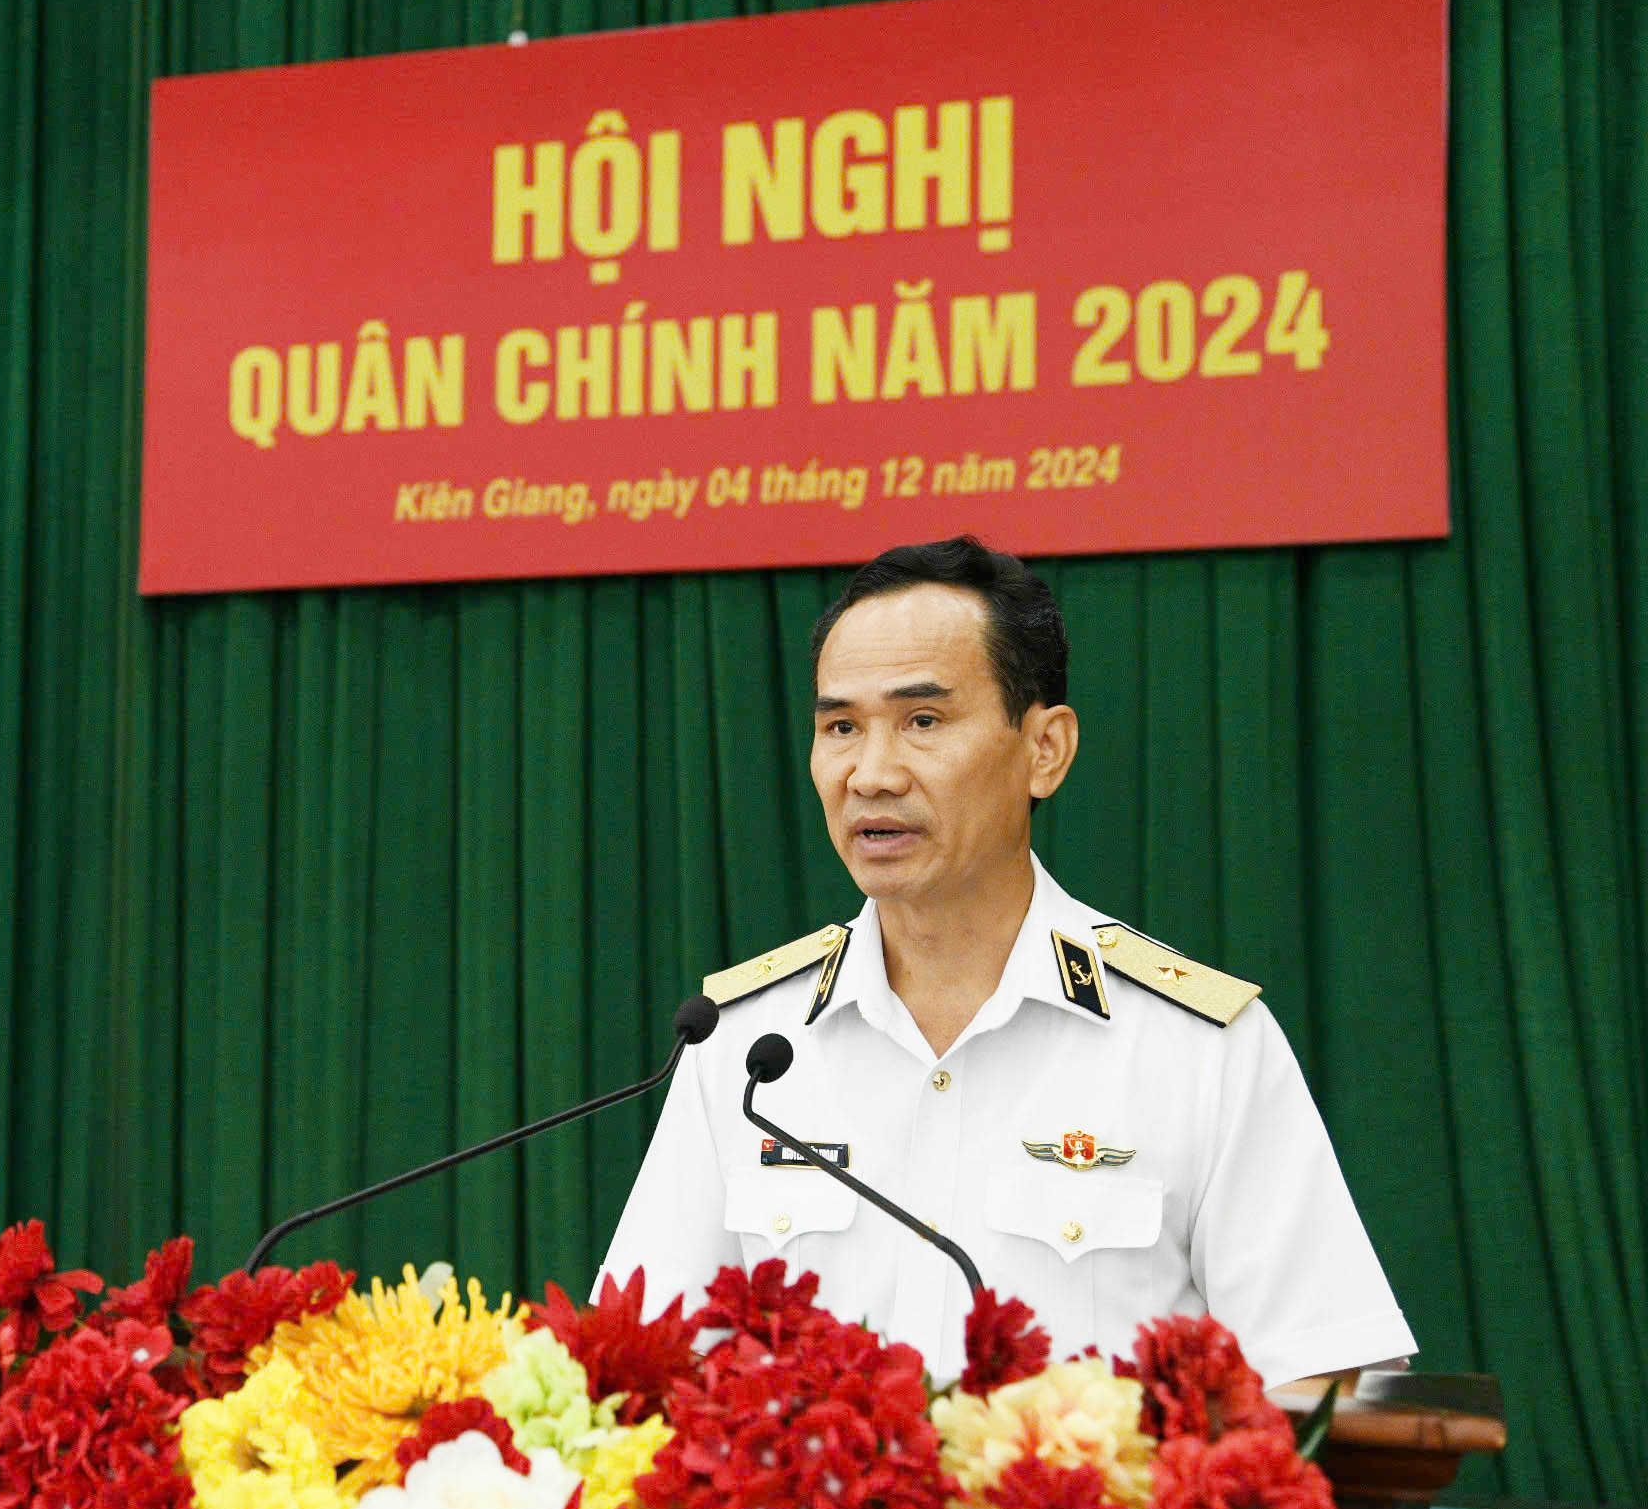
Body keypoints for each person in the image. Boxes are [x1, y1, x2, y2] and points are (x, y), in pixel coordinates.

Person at [598, 537, 1413, 1386]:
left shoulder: (1197, 1048)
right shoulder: (742, 1048)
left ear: (1045, 749)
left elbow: (1325, 1380)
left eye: (922, 721)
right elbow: (639, 1371)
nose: (870, 774)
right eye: (840, 726)